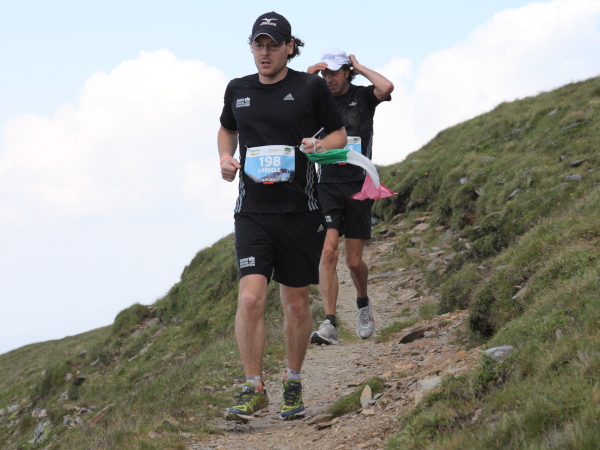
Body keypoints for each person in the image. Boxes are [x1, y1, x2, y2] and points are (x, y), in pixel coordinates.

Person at [218, 13, 347, 422]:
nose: (265, 52)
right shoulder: (238, 89)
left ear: (290, 47)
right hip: (252, 211)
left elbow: (339, 135)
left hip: (299, 211)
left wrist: (317, 146)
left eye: (273, 45)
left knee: (295, 303)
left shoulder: (310, 87)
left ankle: (292, 382)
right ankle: (253, 387)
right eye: (259, 44)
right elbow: (226, 130)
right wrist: (225, 158)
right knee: (250, 297)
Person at [307, 48, 394, 345]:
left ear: (347, 72)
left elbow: (386, 87)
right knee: (328, 252)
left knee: (354, 262)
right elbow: (291, 111)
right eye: (324, 74)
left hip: (359, 184)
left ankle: (363, 303)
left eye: (334, 73)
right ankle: (330, 323)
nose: (329, 79)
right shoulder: (319, 100)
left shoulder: (363, 97)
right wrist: (306, 79)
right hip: (327, 185)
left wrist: (360, 65)